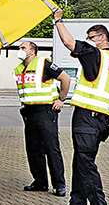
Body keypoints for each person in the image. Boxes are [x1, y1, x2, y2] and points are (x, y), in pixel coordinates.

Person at [52, 9, 109, 205]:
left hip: (87, 116)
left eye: (92, 37)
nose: (90, 41)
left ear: (103, 38)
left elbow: (69, 43)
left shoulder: (97, 55)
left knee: (85, 163)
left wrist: (58, 22)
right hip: (101, 121)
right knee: (81, 161)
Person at [15, 41, 71, 197]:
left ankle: (59, 184)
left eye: (23, 48)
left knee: (51, 148)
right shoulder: (19, 69)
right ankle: (40, 182)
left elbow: (65, 78)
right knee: (33, 149)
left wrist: (61, 99)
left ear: (32, 51)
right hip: (29, 112)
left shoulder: (43, 63)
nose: (20, 50)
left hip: (45, 111)